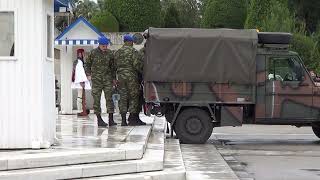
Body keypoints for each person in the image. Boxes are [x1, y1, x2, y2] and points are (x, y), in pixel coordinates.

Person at [85, 36, 117, 127]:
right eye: (103, 46)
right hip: (96, 79)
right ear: (99, 45)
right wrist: (88, 74)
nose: (105, 48)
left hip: (107, 79)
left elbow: (113, 67)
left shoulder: (110, 53)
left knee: (109, 99)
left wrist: (114, 78)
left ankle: (111, 119)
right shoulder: (93, 53)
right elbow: (87, 64)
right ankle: (99, 120)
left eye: (106, 46)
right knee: (96, 99)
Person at [114, 34, 146, 126]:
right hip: (131, 77)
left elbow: (114, 65)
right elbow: (137, 65)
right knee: (133, 97)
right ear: (131, 42)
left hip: (120, 77)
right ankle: (132, 119)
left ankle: (123, 120)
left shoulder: (117, 52)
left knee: (123, 98)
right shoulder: (134, 52)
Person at [71, 49, 91, 117]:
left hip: (79, 81)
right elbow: (80, 73)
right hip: (80, 81)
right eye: (83, 53)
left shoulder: (78, 61)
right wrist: (82, 81)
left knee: (81, 95)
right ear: (80, 54)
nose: (84, 54)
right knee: (80, 95)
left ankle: (81, 110)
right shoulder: (79, 62)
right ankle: (81, 111)